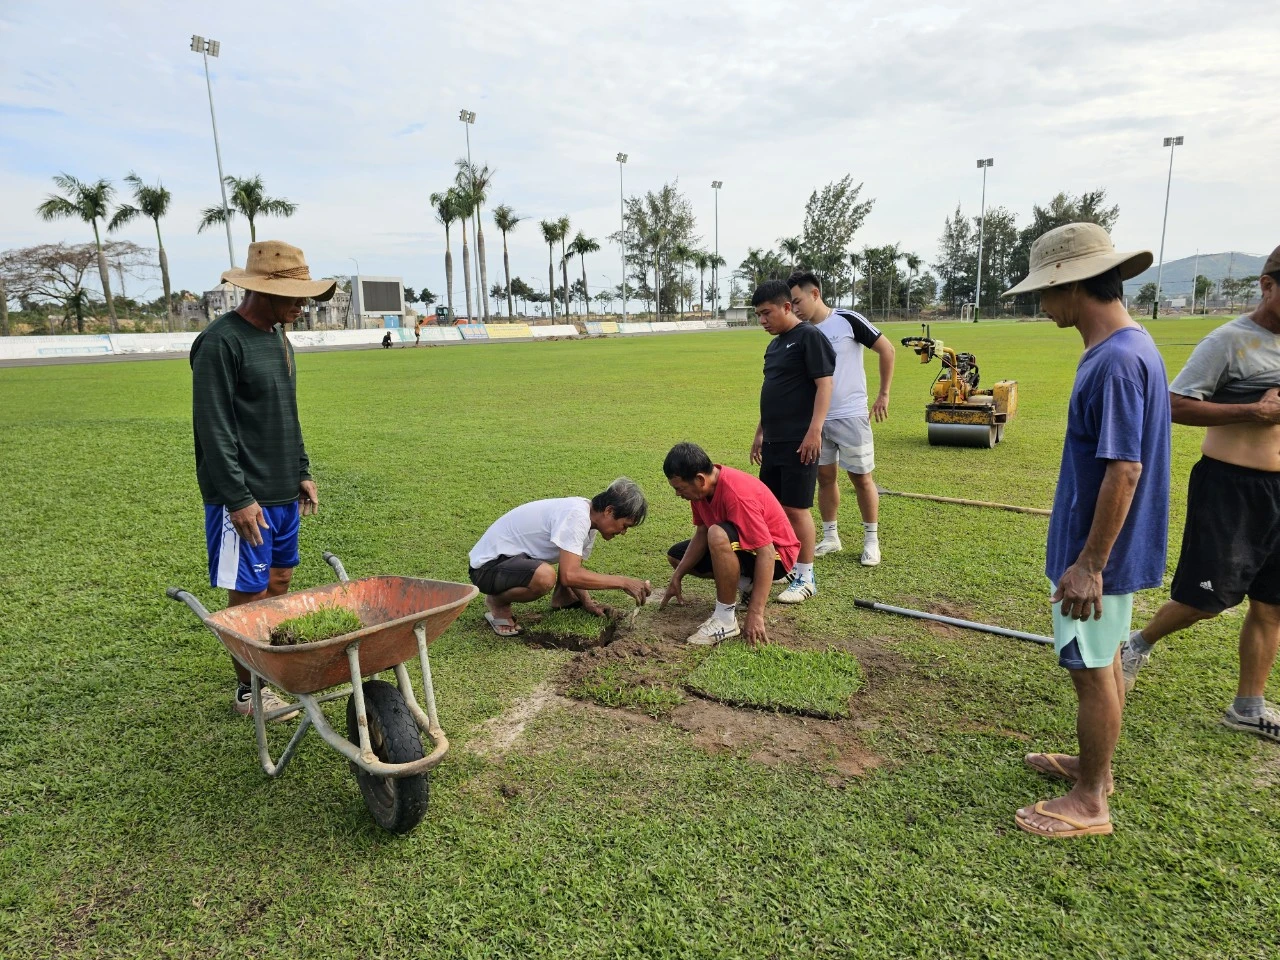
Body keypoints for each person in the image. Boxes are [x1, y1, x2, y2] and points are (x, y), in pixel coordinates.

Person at [1001, 223, 1170, 837]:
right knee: (1100, 659)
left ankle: (1091, 799)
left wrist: (1090, 563)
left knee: (1091, 668)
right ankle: (1095, 767)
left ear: (1069, 286)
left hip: (1100, 555)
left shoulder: (1117, 363)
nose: (1040, 306)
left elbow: (1125, 470)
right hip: (1107, 549)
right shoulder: (1129, 347)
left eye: (1041, 294)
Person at [1121, 246, 1280, 742]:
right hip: (1233, 488)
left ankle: (1247, 705)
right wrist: (1252, 412)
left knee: (1272, 604)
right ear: (1267, 284)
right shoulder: (1230, 341)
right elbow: (1173, 404)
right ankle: (1136, 645)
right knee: (1205, 599)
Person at [189, 240, 337, 720]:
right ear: (260, 292)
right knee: (247, 594)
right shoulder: (220, 342)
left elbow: (285, 414)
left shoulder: (279, 337)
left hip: (281, 491)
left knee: (279, 581)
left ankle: (270, 671)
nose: (302, 306)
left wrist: (301, 470)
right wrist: (237, 498)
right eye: (295, 297)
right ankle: (248, 692)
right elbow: (214, 427)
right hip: (242, 497)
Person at [788, 270, 896, 565]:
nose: (794, 308)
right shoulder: (799, 331)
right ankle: (831, 536)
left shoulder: (847, 320)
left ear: (815, 294)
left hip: (850, 415)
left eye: (797, 301)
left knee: (861, 478)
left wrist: (883, 393)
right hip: (816, 421)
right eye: (791, 304)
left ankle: (871, 541)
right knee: (824, 477)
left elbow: (887, 349)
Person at [468, 478, 653, 636]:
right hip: (486, 568)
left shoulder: (589, 521)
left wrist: (587, 602)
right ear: (609, 511)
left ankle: (562, 599)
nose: (623, 532)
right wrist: (623, 582)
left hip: (510, 564)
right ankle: (497, 603)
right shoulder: (577, 516)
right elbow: (569, 575)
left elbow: (575, 568)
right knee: (544, 577)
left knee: (553, 573)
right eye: (625, 525)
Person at [660, 442, 801, 645]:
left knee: (718, 534)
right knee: (677, 556)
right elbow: (701, 532)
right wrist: (677, 576)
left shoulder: (737, 495)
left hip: (778, 557)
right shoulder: (701, 492)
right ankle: (748, 584)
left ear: (700, 479)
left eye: (680, 488)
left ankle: (725, 619)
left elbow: (767, 551)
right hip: (748, 549)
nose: (678, 494)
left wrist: (756, 612)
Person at [749, 279, 835, 604]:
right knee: (772, 509)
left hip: (801, 442)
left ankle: (806, 576)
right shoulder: (774, 346)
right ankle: (782, 566)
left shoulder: (809, 338)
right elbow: (772, 391)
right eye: (758, 315)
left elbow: (825, 386)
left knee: (796, 509)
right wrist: (760, 433)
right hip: (774, 442)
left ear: (787, 307)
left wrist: (815, 430)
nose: (762, 321)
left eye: (766, 313)